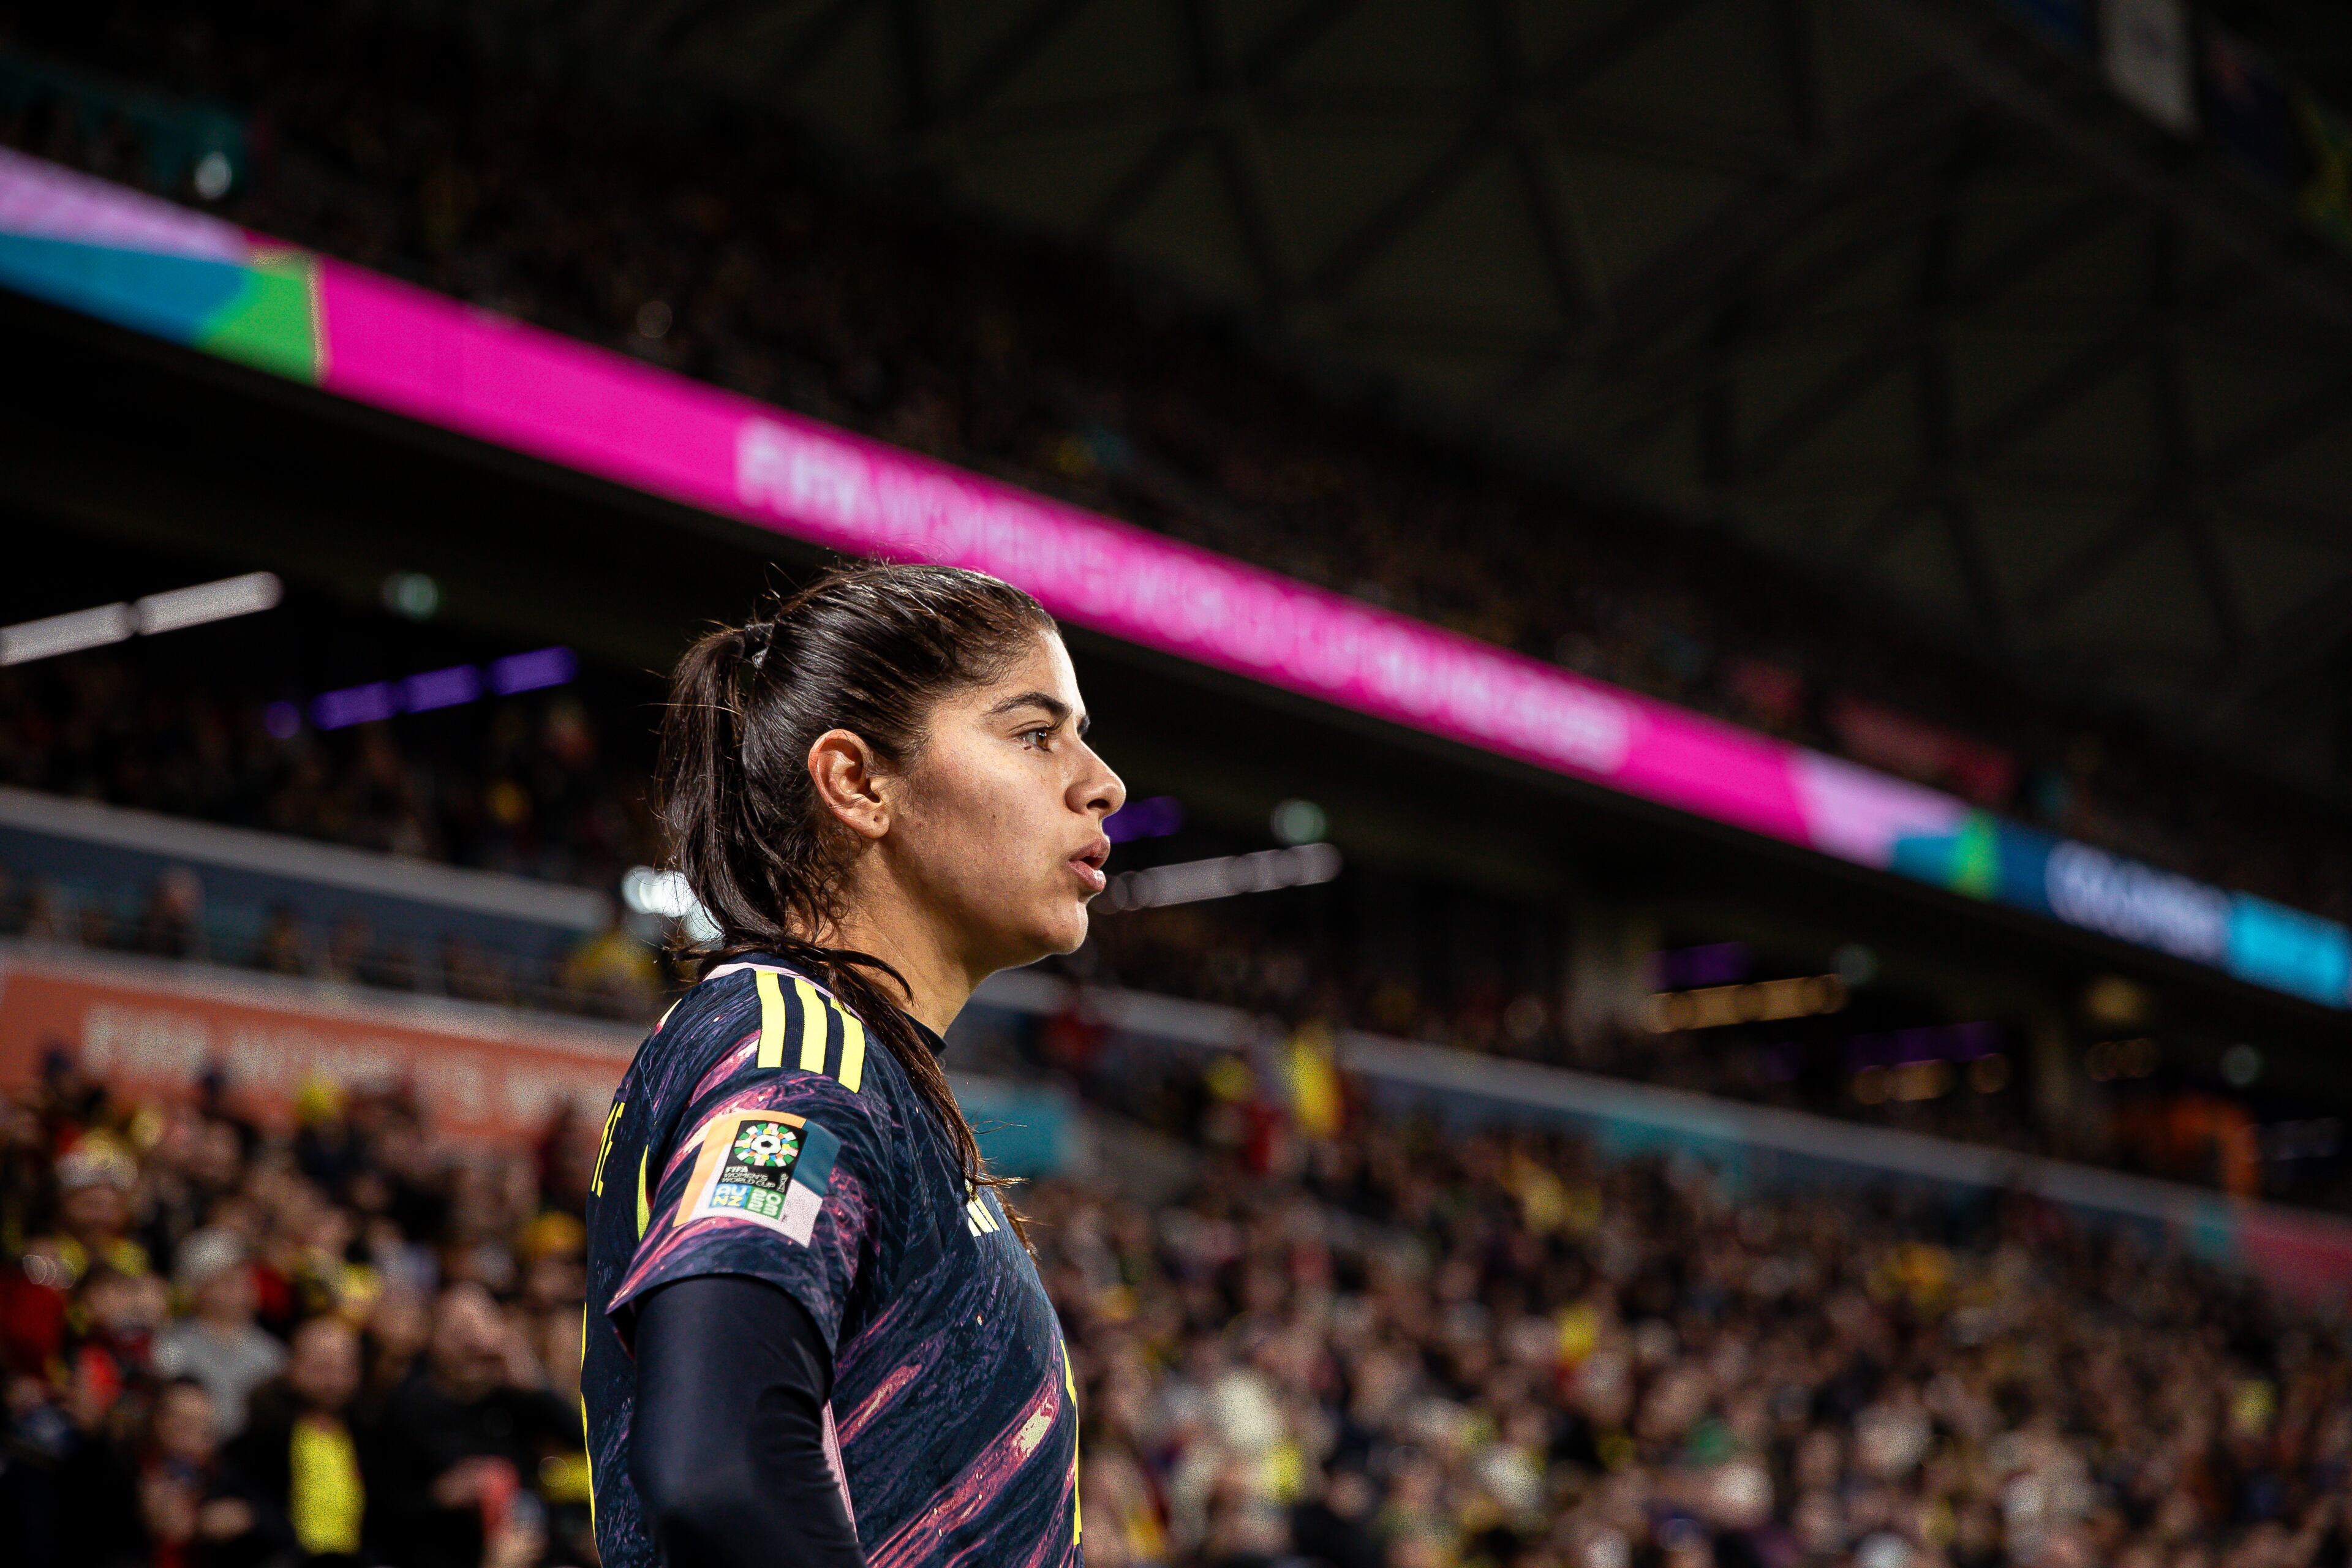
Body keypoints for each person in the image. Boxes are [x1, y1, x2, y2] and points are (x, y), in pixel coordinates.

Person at [581, 563, 1124, 1567]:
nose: (1103, 783)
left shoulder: (857, 1066)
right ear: (858, 784)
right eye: (1035, 733)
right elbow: (719, 1469)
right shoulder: (795, 1046)